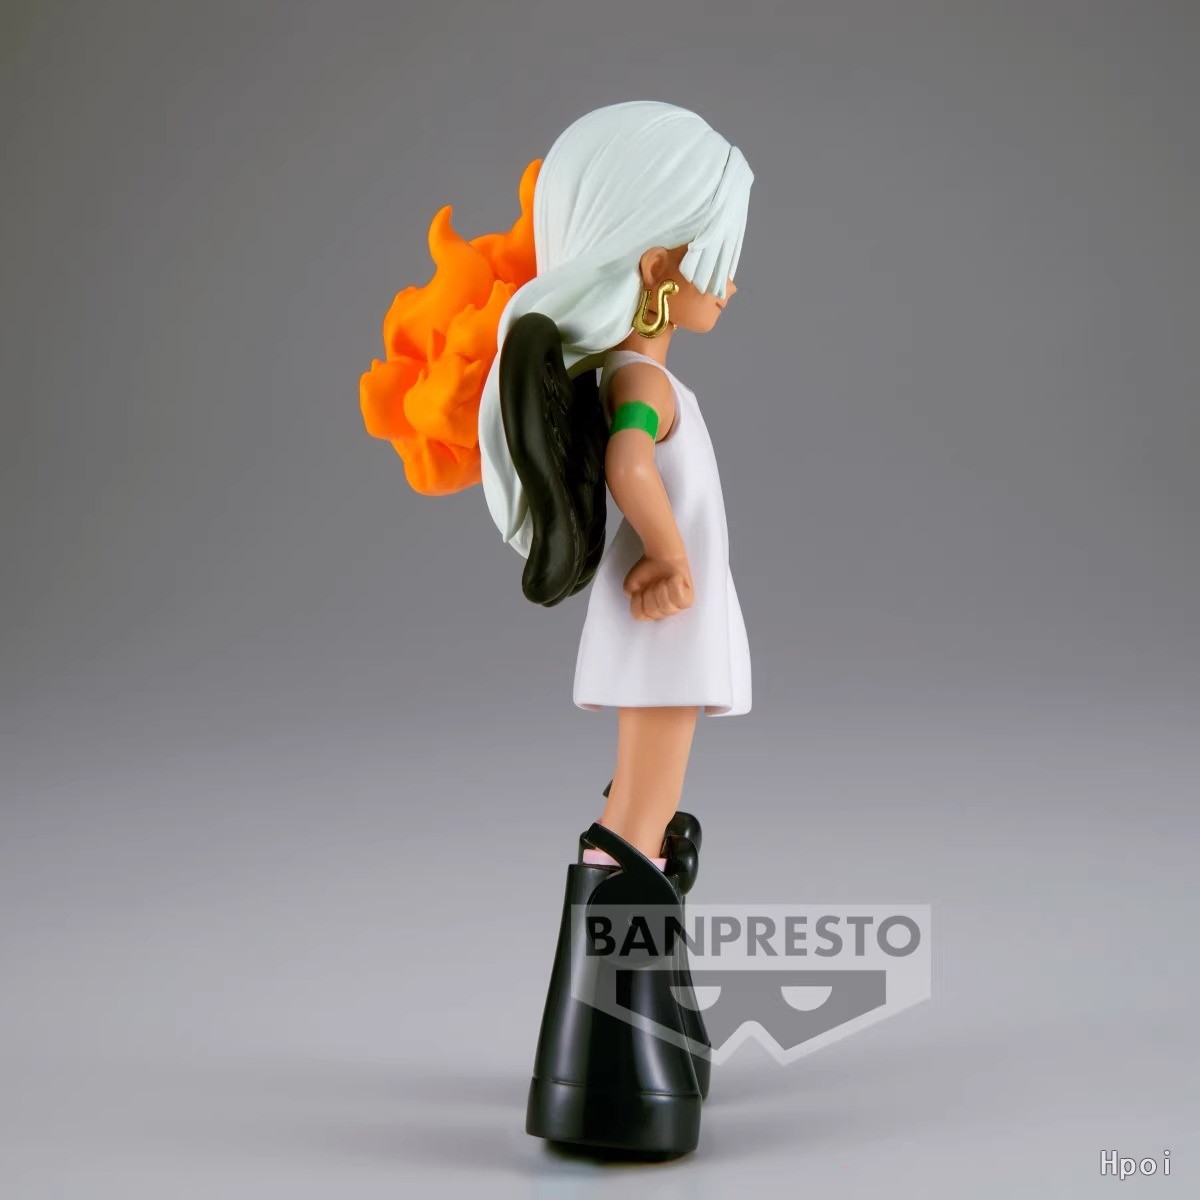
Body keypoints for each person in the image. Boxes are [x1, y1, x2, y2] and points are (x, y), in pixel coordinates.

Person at [360, 100, 754, 1158]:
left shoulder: (631, 371)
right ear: (661, 264)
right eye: (722, 256)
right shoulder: (644, 379)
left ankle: (646, 1029)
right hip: (665, 624)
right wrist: (668, 556)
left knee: (648, 808)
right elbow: (630, 465)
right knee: (641, 813)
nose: (733, 281)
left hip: (661, 627)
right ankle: (608, 1063)